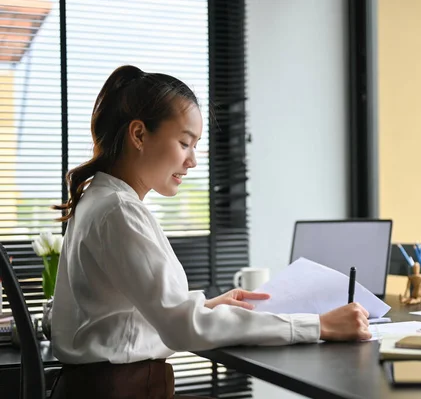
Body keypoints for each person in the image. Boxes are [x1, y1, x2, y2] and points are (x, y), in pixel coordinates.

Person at [49, 65, 372, 399]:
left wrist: (208, 307)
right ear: (139, 135)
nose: (193, 161)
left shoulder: (101, 200)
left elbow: (126, 316)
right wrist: (319, 325)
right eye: (185, 143)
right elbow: (182, 329)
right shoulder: (119, 212)